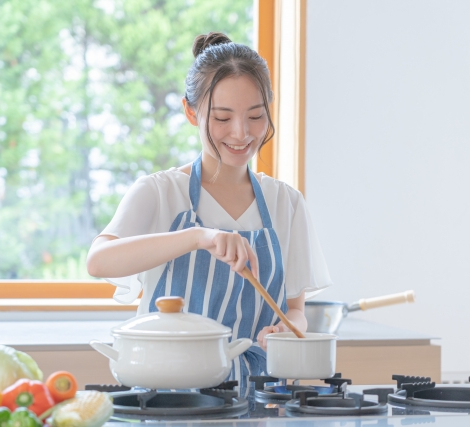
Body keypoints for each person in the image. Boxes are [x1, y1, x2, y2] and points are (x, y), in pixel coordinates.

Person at [87, 32, 332, 394]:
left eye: (255, 116)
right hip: (169, 397)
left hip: (259, 397)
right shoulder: (159, 193)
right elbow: (99, 261)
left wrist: (286, 329)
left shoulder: (286, 204)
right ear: (191, 112)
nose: (241, 133)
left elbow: (294, 308)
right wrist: (198, 237)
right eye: (222, 118)